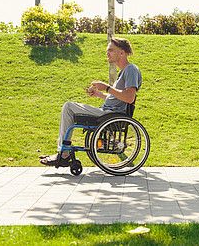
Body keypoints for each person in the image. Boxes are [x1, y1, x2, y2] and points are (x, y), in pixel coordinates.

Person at [40, 38, 142, 166]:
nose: (107, 53)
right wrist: (100, 94)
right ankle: (64, 152)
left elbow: (129, 98)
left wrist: (107, 87)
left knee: (68, 107)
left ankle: (64, 153)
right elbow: (118, 100)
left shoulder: (131, 69)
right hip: (108, 112)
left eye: (110, 50)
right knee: (69, 107)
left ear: (122, 53)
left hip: (110, 115)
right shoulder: (124, 72)